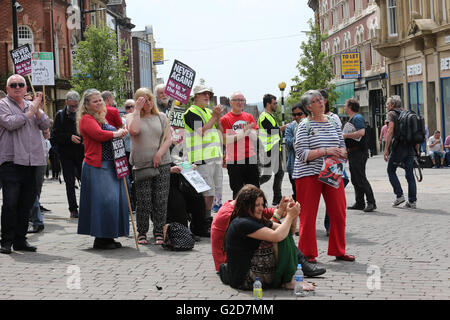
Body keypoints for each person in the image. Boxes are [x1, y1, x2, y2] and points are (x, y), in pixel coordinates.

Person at [293, 90, 355, 263]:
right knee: (308, 214)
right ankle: (307, 253)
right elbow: (302, 153)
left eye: (320, 99)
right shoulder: (304, 125)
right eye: (315, 101)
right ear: (308, 107)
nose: (320, 102)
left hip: (332, 171)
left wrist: (342, 152)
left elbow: (342, 145)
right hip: (308, 174)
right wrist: (326, 151)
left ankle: (338, 250)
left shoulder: (334, 122)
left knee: (338, 211)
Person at [211, 185, 326, 278]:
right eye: (257, 205)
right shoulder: (237, 219)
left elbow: (285, 229)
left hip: (244, 260)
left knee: (280, 229)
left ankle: (298, 265)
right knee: (277, 238)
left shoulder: (245, 212)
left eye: (262, 204)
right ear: (247, 204)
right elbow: (276, 235)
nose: (261, 208)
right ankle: (293, 272)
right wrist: (288, 216)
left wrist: (288, 211)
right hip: (236, 268)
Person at [0, 74, 50, 254]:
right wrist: (30, 112)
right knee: (11, 203)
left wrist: (36, 109)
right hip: (11, 161)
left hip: (32, 161)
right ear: (7, 89)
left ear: (26, 88)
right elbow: (10, 123)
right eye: (13, 85)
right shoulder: (2, 105)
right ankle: (6, 241)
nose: (18, 87)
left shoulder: (31, 105)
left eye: (21, 84)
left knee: (26, 203)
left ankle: (20, 240)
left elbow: (45, 124)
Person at [76, 89, 129, 250]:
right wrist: (116, 133)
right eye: (95, 101)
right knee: (104, 202)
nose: (99, 103)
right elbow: (98, 134)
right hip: (97, 166)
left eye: (100, 100)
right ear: (86, 105)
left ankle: (109, 236)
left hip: (110, 164)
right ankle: (101, 238)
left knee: (114, 201)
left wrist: (120, 133)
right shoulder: (86, 119)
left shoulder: (101, 117)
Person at [127, 88, 172, 245]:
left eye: (149, 99)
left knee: (160, 199)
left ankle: (159, 231)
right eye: (143, 99)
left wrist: (159, 153)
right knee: (143, 200)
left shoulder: (161, 117)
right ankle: (142, 232)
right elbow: (134, 130)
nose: (147, 102)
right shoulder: (131, 117)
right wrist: (137, 110)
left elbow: (168, 138)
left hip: (162, 163)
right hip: (142, 164)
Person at [183, 85, 223, 233]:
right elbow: (201, 132)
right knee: (205, 192)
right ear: (195, 96)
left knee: (212, 191)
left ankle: (205, 221)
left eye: (209, 94)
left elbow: (218, 131)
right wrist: (215, 117)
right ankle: (199, 224)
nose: (207, 96)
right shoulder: (191, 112)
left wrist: (217, 118)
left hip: (213, 157)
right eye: (203, 94)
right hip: (200, 158)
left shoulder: (207, 111)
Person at [219, 91, 259, 199]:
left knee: (254, 190)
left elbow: (255, 137)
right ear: (231, 102)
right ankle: (239, 214)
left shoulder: (249, 117)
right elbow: (225, 141)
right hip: (234, 159)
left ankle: (255, 214)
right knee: (237, 191)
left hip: (250, 157)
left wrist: (250, 131)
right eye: (237, 100)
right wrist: (242, 134)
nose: (240, 102)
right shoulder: (225, 119)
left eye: (242, 100)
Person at [52, 91, 84, 218]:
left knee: (85, 181)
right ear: (66, 103)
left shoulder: (82, 114)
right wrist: (69, 137)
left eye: (76, 106)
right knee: (70, 183)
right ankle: (73, 208)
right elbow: (55, 136)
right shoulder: (60, 116)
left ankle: (86, 205)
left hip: (81, 154)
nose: (74, 109)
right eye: (72, 106)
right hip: (66, 155)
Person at [384, 95, 417, 209]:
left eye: (387, 104)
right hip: (409, 147)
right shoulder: (407, 112)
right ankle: (412, 201)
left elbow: (390, 130)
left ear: (392, 105)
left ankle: (399, 196)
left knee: (391, 170)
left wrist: (386, 148)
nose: (386, 106)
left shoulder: (391, 114)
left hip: (399, 147)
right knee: (409, 174)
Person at [343, 98, 376, 212]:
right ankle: (359, 202)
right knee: (355, 178)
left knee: (361, 177)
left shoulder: (357, 118)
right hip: (352, 151)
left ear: (350, 107)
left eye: (346, 105)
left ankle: (371, 202)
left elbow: (361, 133)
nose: (344, 107)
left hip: (359, 152)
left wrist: (345, 136)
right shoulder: (352, 119)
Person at [257, 93, 286, 206]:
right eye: (275, 103)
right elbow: (271, 130)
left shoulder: (270, 116)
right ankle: (252, 187)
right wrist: (282, 128)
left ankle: (276, 197)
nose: (276, 105)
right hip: (268, 149)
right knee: (275, 173)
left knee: (276, 173)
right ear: (268, 104)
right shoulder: (264, 116)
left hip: (273, 148)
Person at [285, 102, 307, 201]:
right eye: (294, 114)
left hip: (308, 168)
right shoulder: (290, 127)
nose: (296, 117)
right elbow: (288, 143)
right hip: (294, 167)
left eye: (299, 114)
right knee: (298, 194)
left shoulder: (311, 125)